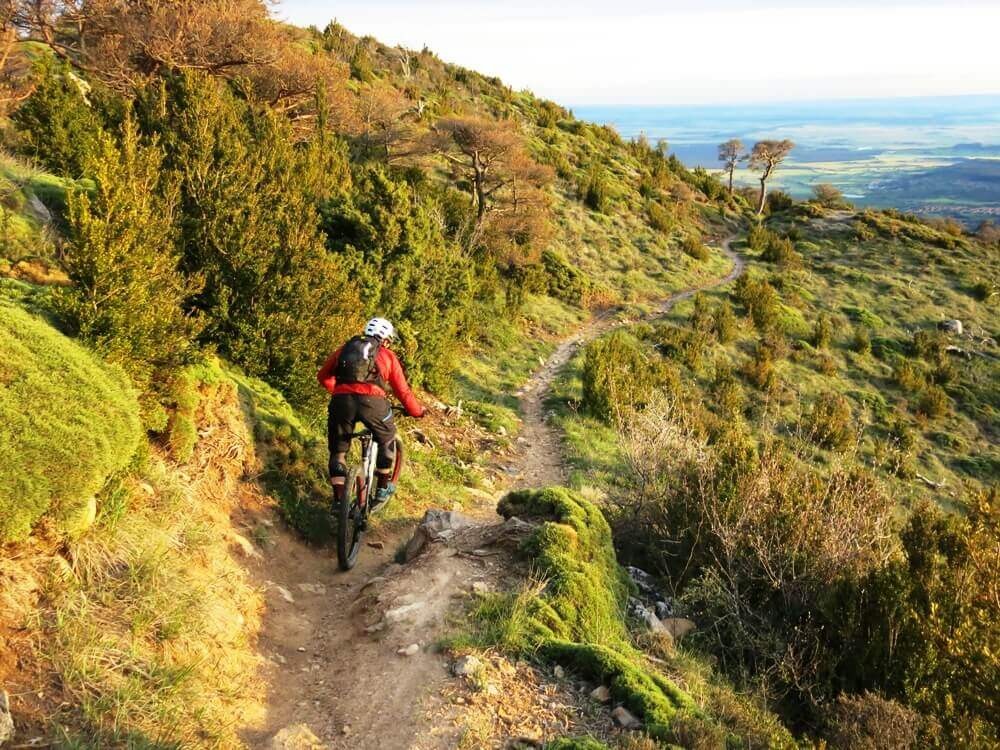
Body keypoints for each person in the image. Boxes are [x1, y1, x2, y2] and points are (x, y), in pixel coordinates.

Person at [317, 317, 425, 509]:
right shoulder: (388, 356)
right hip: (373, 404)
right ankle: (382, 488)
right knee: (387, 438)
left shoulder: (345, 349)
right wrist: (416, 412)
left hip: (341, 402)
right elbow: (403, 391)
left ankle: (339, 501)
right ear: (385, 340)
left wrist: (340, 392)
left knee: (338, 454)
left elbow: (323, 376)